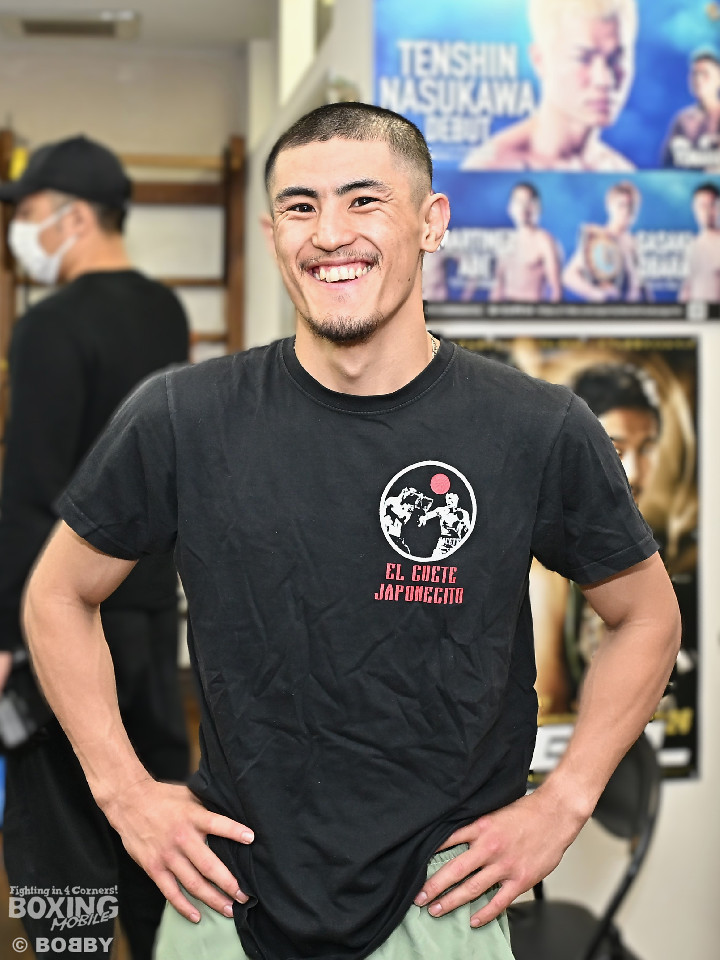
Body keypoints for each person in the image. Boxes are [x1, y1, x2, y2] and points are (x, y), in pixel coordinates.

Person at [22, 104, 680, 960]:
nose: (329, 234)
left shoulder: (535, 426)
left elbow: (647, 616)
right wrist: (124, 793)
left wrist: (565, 800)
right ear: (273, 234)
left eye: (364, 200)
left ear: (431, 222)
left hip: (443, 903)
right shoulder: (184, 416)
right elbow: (56, 596)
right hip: (225, 895)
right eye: (300, 207)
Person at [0, 135, 190, 960]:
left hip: (68, 617)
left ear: (73, 218)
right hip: (147, 612)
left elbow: (32, 493)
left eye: (29, 215)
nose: (19, 234)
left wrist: (9, 636)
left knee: (61, 839)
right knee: (157, 826)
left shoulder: (49, 327)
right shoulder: (165, 311)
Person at [532, 362, 661, 715]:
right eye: (616, 451)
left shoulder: (658, 550)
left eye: (646, 448)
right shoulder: (543, 569)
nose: (634, 472)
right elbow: (548, 704)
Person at [462, 0, 637, 172]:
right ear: (540, 60)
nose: (605, 80)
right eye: (583, 58)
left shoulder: (622, 172)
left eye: (617, 58)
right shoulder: (492, 166)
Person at [563, 180, 645, 302]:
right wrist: (596, 294)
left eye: (631, 206)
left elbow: (640, 287)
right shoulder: (599, 238)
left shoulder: (635, 243)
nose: (627, 211)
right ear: (609, 206)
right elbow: (568, 276)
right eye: (621, 205)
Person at [490, 182, 562, 301]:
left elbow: (556, 290)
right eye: (518, 202)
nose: (523, 207)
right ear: (510, 208)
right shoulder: (505, 242)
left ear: (536, 207)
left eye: (528, 202)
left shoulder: (544, 242)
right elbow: (497, 288)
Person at [661, 46, 720, 170]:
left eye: (705, 74)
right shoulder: (682, 120)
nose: (698, 80)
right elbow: (667, 163)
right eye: (694, 74)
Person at [679, 181, 720, 302]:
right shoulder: (692, 246)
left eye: (711, 205)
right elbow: (686, 289)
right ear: (694, 208)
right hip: (696, 310)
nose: (707, 211)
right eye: (702, 206)